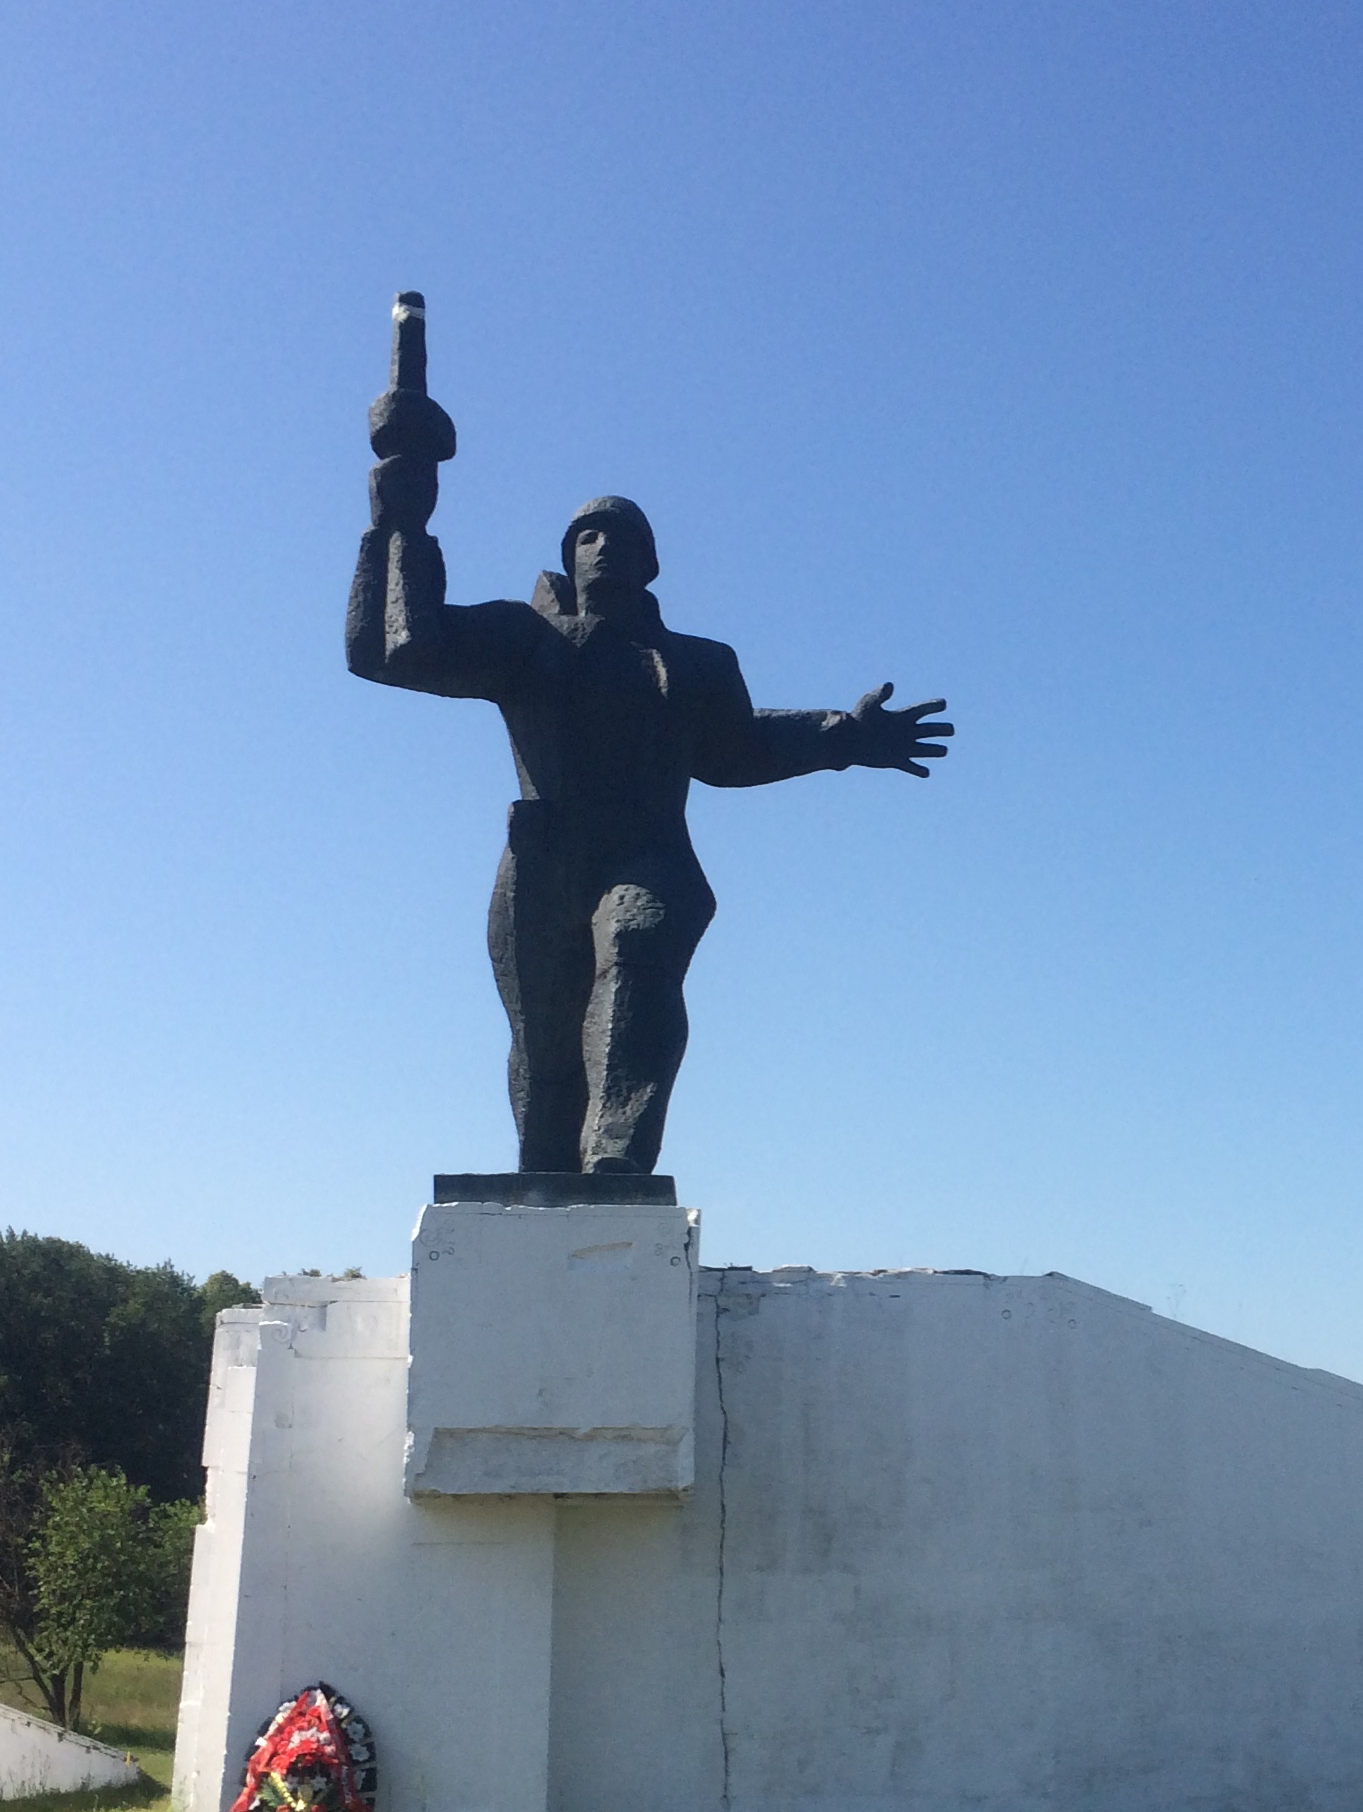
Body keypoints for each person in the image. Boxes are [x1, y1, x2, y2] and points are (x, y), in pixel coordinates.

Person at [345, 300, 951, 1174]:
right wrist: (399, 517)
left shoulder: (699, 662)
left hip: (650, 851)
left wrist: (842, 736)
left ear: (650, 563)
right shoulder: (527, 638)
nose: (602, 547)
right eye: (586, 534)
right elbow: (396, 651)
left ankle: (617, 1164)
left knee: (638, 946)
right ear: (569, 552)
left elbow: (734, 751)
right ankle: (546, 1185)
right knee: (546, 1046)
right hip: (545, 855)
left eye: (622, 537)